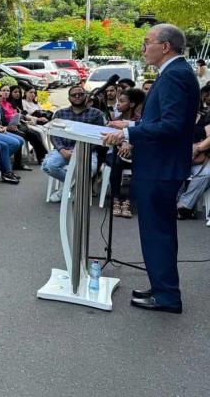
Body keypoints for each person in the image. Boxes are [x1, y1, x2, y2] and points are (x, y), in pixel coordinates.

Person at [103, 24, 199, 314]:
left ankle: (167, 295)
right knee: (157, 230)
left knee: (157, 231)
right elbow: (163, 120)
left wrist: (129, 135)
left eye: (147, 42)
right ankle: (161, 285)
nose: (143, 48)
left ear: (166, 46)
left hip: (161, 166)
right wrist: (132, 125)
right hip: (160, 164)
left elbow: (172, 125)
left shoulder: (176, 75)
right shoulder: (174, 73)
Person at [41, 86, 106, 201]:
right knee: (49, 166)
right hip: (64, 150)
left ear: (86, 96)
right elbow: (54, 135)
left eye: (80, 94)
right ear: (68, 98)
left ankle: (66, 188)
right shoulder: (60, 113)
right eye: (73, 95)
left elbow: (99, 137)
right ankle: (75, 187)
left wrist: (79, 151)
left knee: (90, 170)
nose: (77, 96)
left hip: (86, 151)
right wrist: (62, 150)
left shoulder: (96, 114)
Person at [104, 88, 145, 218]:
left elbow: (143, 137)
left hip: (135, 154)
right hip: (116, 153)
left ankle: (128, 201)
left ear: (132, 104)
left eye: (122, 101)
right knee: (117, 161)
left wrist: (130, 144)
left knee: (138, 167)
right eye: (118, 101)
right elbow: (110, 138)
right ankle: (116, 199)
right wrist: (122, 144)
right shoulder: (116, 120)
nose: (118, 104)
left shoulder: (140, 121)